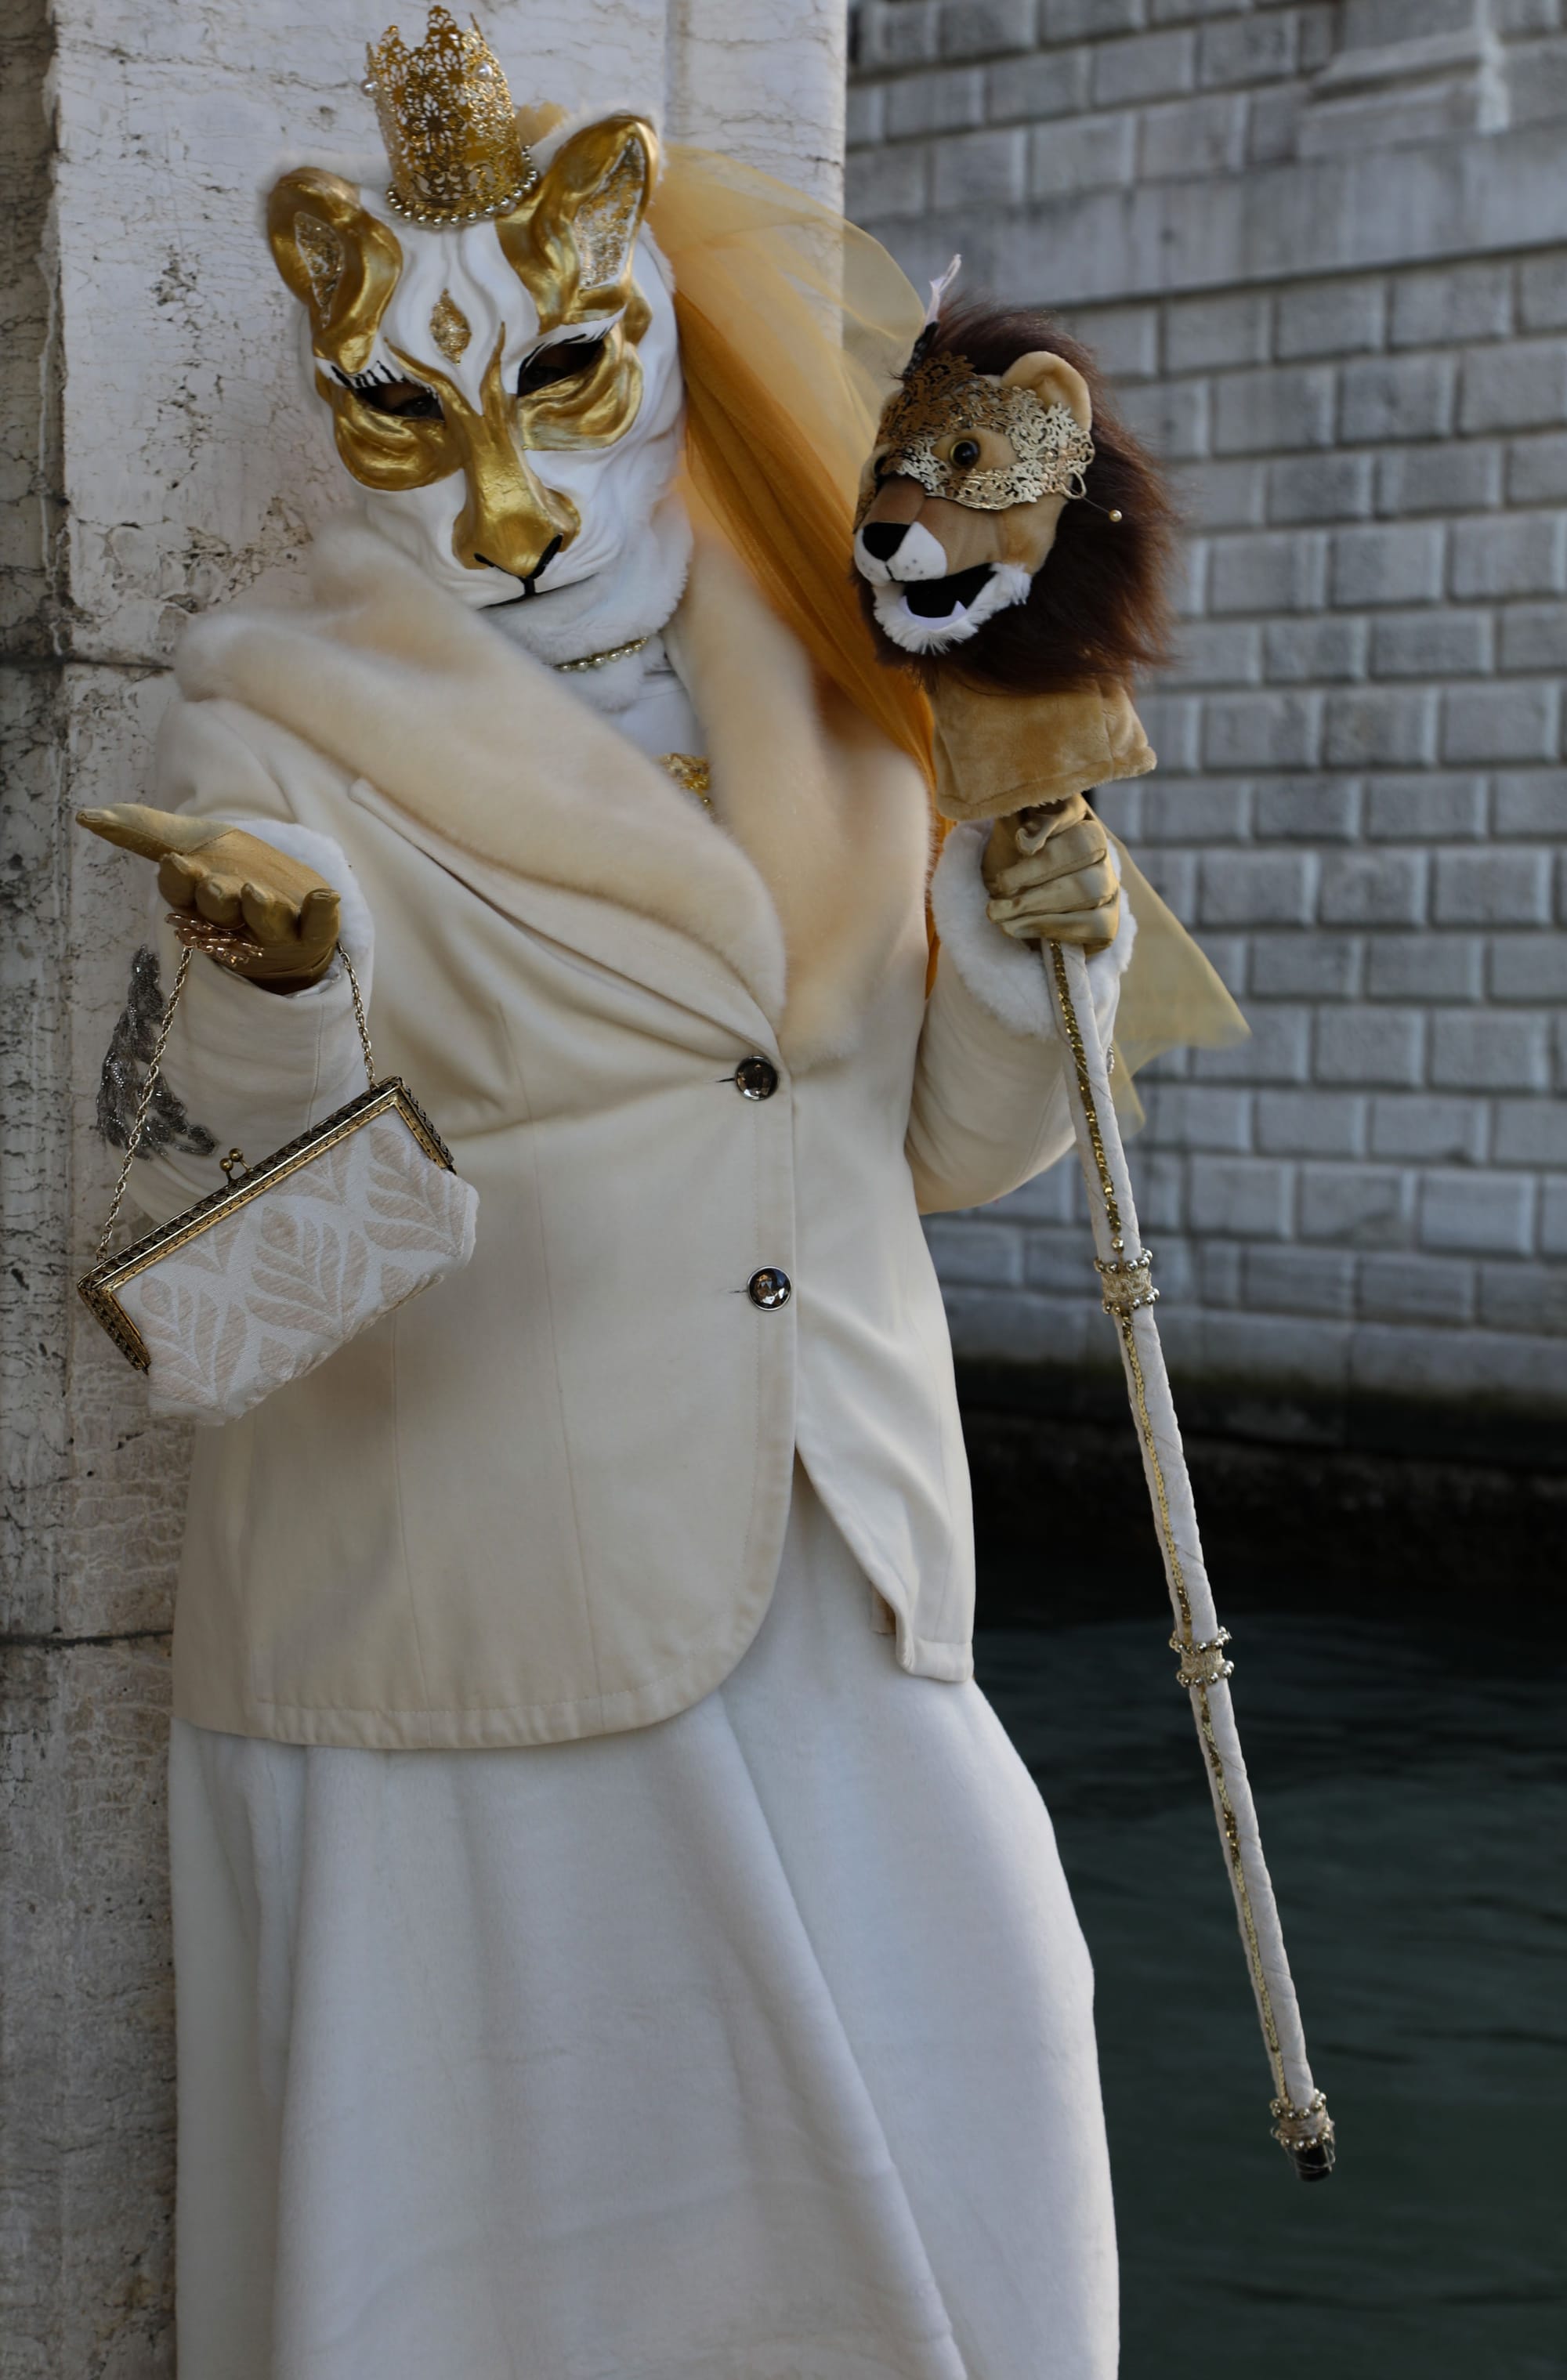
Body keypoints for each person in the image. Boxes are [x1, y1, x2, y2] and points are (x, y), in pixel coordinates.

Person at [81, 13, 1234, 2374]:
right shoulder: (265, 724)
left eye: (561, 374)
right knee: (507, 2267)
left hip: (841, 1555)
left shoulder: (834, 674)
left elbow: (942, 1149)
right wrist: (280, 983)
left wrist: (1039, 950)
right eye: (414, 402)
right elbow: (244, 1211)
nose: (500, 476)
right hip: (475, 1592)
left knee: (981, 2171)